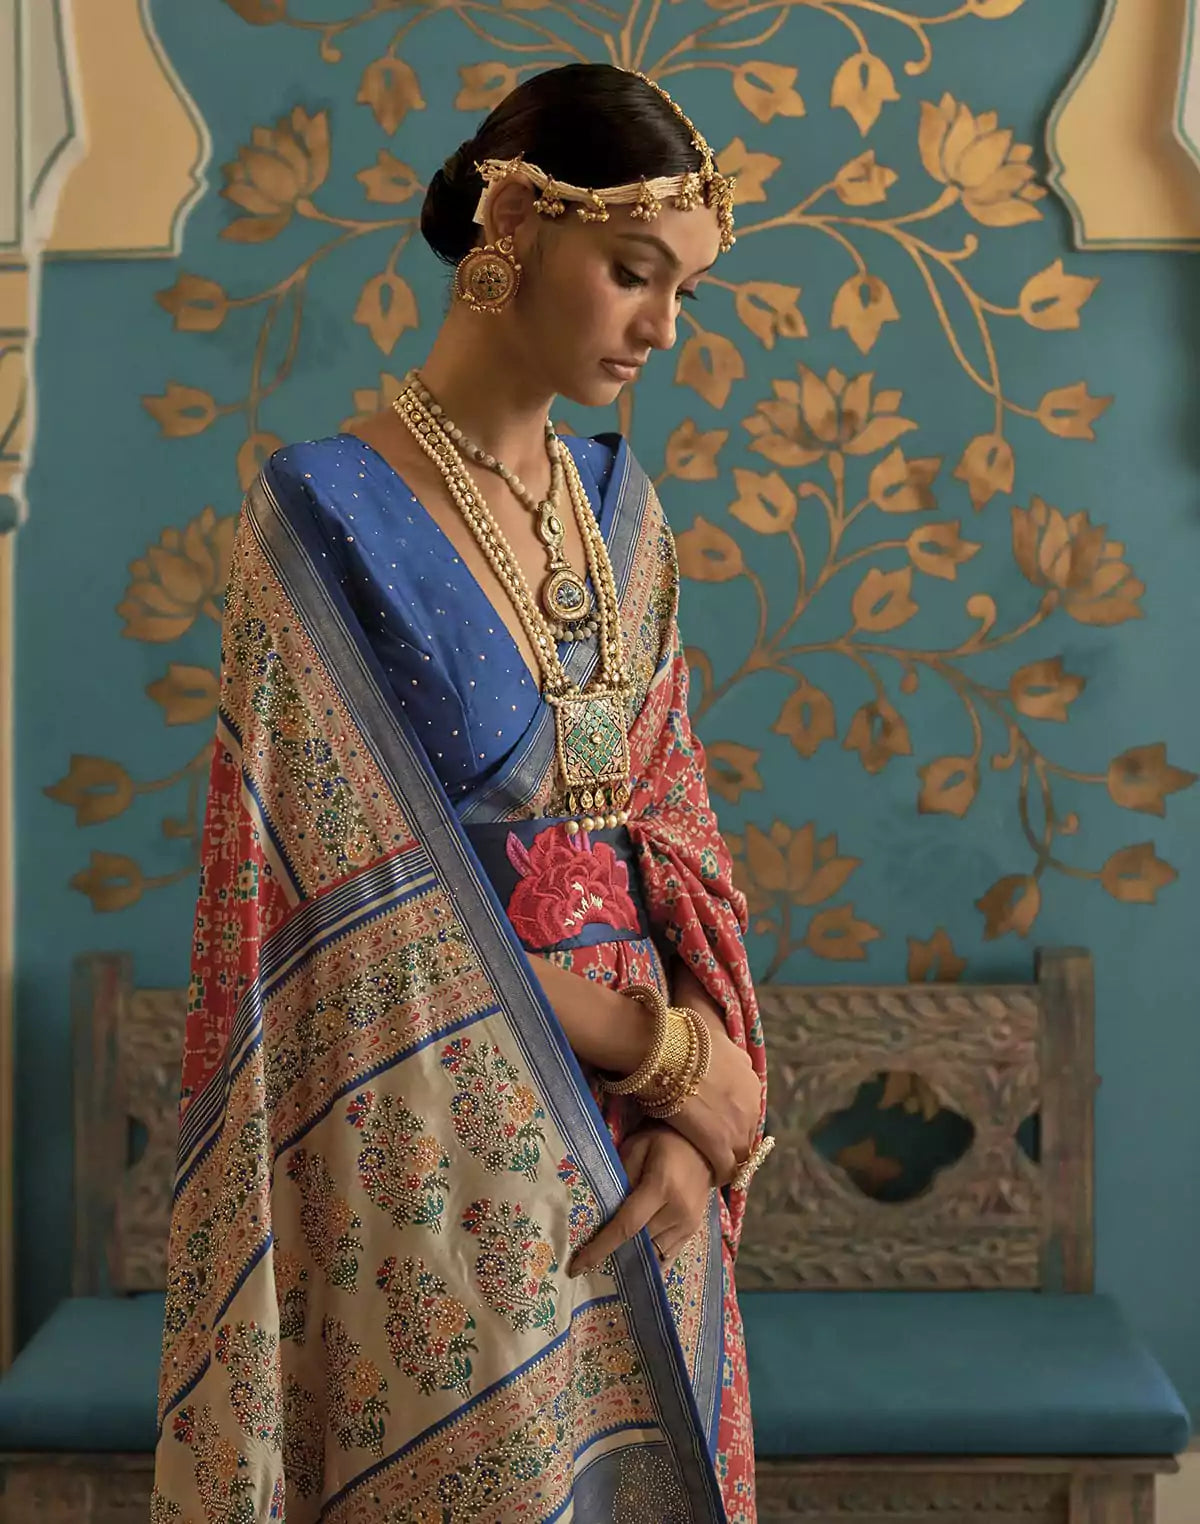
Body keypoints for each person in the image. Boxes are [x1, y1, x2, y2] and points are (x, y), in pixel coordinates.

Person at [152, 62, 772, 1524]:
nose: (660, 328)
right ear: (509, 220)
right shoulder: (323, 512)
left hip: (646, 1144)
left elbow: (676, 833)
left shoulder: (623, 511)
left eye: (683, 290)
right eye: (633, 273)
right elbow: (362, 893)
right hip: (443, 1135)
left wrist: (698, 1109)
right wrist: (653, 1051)